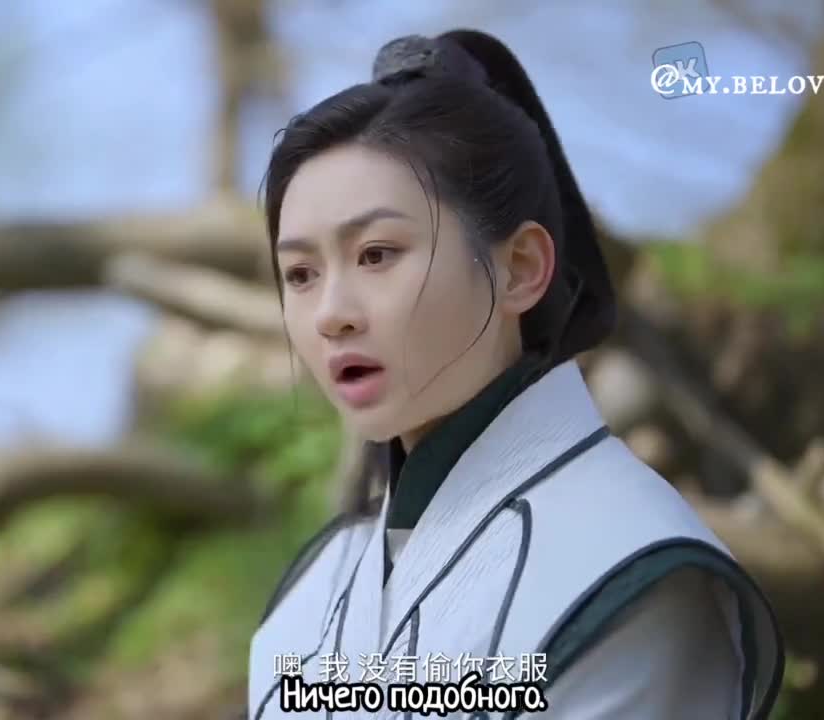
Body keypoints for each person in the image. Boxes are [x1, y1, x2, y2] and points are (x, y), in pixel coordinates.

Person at [247, 28, 783, 719]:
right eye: (300, 274)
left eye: (376, 254)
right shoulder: (313, 591)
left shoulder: (628, 577)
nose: (330, 315)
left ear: (521, 268)